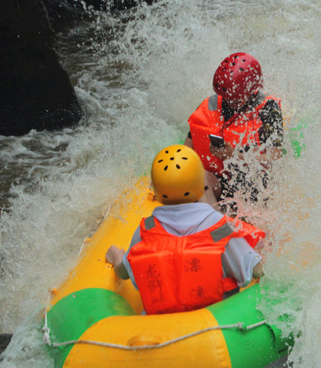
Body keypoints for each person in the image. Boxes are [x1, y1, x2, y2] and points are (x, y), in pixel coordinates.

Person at [105, 145, 265, 315]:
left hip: (159, 330)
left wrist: (116, 257)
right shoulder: (218, 227)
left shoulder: (147, 229)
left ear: (156, 190)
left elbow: (123, 271)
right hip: (215, 324)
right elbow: (256, 270)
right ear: (200, 185)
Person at [184, 52, 284, 206]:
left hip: (253, 182)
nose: (230, 103)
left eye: (235, 100)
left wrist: (235, 156)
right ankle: (213, 221)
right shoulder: (210, 105)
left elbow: (275, 157)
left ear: (251, 91)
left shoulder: (269, 110)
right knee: (202, 177)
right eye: (226, 98)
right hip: (218, 183)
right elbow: (186, 149)